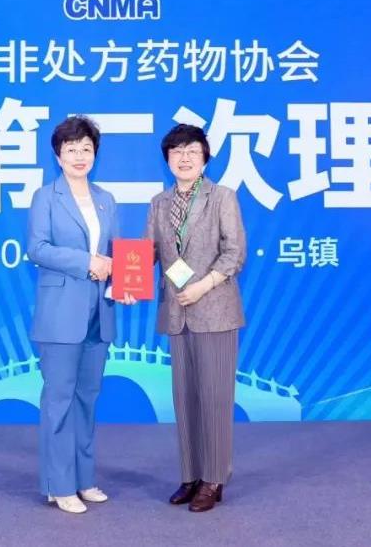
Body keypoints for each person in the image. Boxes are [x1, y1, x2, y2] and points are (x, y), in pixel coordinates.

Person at [26, 115, 133, 514]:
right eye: (71, 149)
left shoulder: (106, 199)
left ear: (95, 153)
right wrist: (87, 261)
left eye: (86, 148)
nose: (79, 156)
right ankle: (59, 484)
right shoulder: (45, 197)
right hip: (60, 314)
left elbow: (118, 253)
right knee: (59, 401)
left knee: (88, 398)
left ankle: (84, 479)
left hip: (99, 312)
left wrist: (126, 281)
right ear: (58, 155)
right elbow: (37, 249)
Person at [145, 123, 247, 512]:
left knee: (215, 398)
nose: (184, 158)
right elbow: (148, 252)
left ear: (205, 157)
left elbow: (234, 252)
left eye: (192, 151)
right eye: (176, 152)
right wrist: (124, 274)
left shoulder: (222, 197)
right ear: (167, 159)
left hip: (215, 309)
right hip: (177, 311)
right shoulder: (158, 202)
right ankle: (190, 475)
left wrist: (203, 286)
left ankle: (215, 478)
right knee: (185, 399)